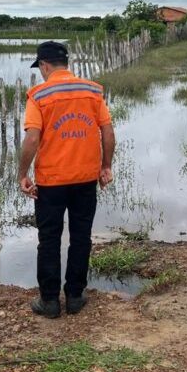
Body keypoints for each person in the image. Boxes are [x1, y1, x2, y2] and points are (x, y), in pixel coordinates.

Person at [18, 40, 115, 318]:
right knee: (81, 237)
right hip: (85, 179)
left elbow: (32, 138)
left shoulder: (38, 95)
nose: (42, 72)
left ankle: (49, 301)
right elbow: (107, 131)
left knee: (49, 239)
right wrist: (106, 166)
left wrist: (22, 174)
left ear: (45, 65)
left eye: (41, 67)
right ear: (66, 64)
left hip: (51, 181)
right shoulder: (92, 91)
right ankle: (74, 296)